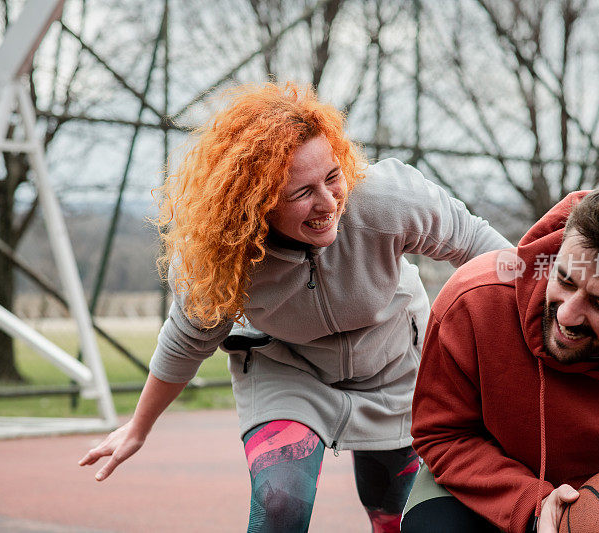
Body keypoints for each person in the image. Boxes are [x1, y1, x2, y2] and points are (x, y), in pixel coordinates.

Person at [78, 82, 511, 532]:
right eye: (300, 193)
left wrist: (547, 309)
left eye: (331, 176)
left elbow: (483, 249)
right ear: (256, 204)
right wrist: (138, 426)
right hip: (289, 369)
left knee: (395, 516)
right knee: (280, 503)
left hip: (394, 364)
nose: (328, 204)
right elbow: (186, 341)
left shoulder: (385, 201)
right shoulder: (225, 256)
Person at [404, 177, 599, 533]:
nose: (567, 315)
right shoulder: (473, 301)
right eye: (565, 280)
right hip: (492, 477)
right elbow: (443, 435)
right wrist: (532, 503)